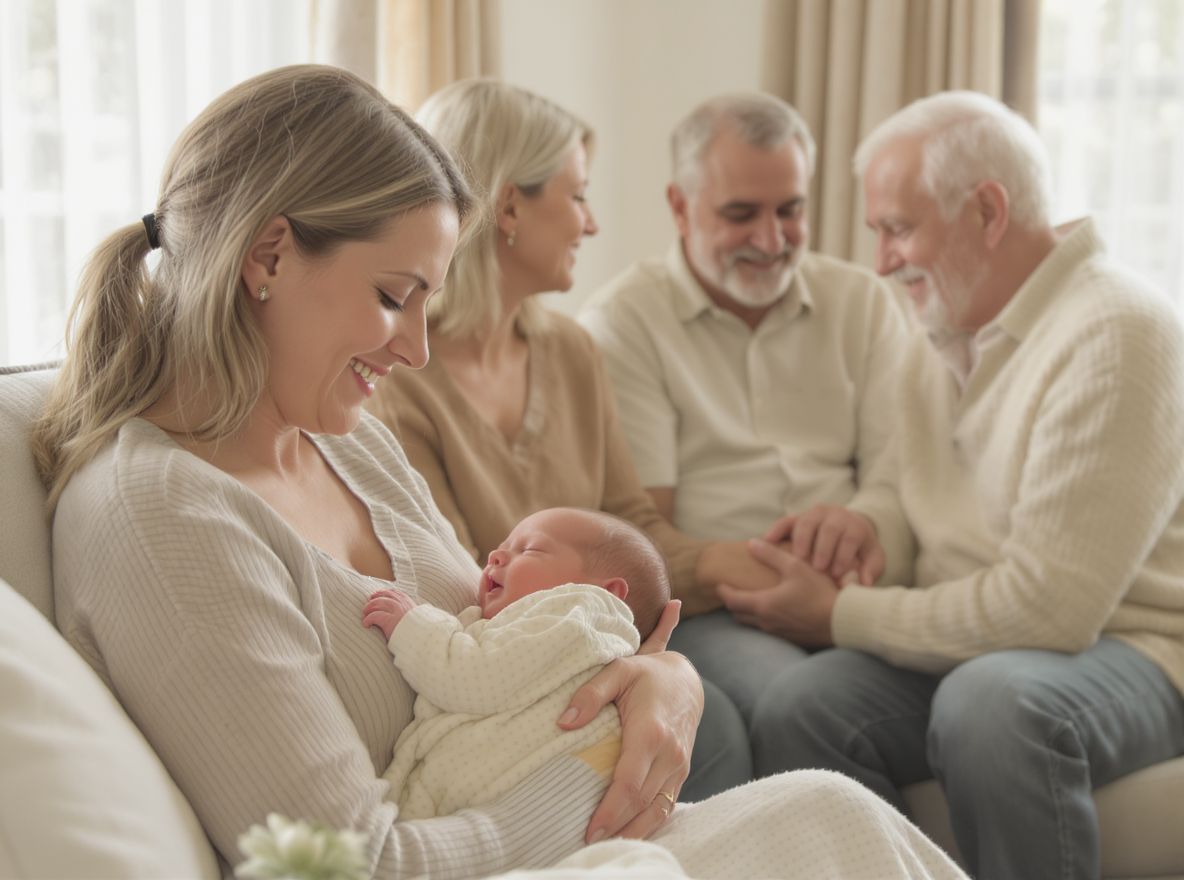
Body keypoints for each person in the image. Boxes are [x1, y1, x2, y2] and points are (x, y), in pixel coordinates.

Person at [30, 64, 973, 880]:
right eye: (395, 297)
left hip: (563, 844)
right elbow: (350, 863)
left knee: (829, 810)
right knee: (830, 821)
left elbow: (508, 634)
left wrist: (662, 679)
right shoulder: (162, 521)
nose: (417, 347)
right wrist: (595, 782)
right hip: (536, 852)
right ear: (269, 254)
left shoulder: (338, 437)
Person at [730, 91, 1184, 880]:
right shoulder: (944, 325)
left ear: (988, 211)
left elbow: (1050, 609)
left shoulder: (1120, 332)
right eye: (876, 231)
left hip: (1135, 649)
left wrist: (840, 612)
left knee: (992, 705)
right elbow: (911, 493)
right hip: (990, 645)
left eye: (898, 229)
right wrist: (865, 527)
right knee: (801, 705)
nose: (880, 261)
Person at [365, 79, 791, 800]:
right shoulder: (398, 376)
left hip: (596, 643)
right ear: (507, 208)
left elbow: (633, 526)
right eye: (578, 195)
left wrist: (754, 564)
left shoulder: (570, 351)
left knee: (746, 705)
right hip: (495, 668)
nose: (591, 225)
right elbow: (458, 580)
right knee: (713, 726)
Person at [578, 92, 914, 735]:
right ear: (679, 206)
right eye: (741, 214)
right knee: (809, 703)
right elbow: (647, 537)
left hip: (857, 590)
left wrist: (864, 522)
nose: (771, 239)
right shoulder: (624, 325)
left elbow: (901, 477)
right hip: (716, 613)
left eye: (791, 210)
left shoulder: (863, 304)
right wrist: (776, 573)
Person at [362, 507, 670, 820]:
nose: (495, 555)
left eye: (530, 548)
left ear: (608, 593)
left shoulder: (581, 615)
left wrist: (412, 627)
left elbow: (475, 679)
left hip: (512, 793)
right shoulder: (531, 631)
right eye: (502, 546)